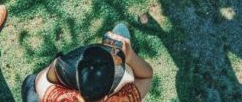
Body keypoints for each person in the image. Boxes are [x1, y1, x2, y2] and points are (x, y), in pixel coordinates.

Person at [22, 23, 154, 101]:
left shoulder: (59, 98)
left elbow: (42, 79)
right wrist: (129, 55)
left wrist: (59, 66)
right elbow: (146, 77)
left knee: (30, 83)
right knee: (120, 31)